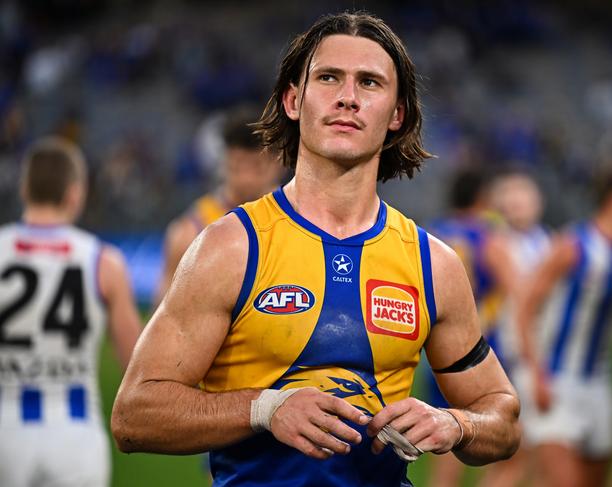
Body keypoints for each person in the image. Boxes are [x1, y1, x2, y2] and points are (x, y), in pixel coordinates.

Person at [111, 12, 520, 486]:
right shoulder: (231, 247)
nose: (348, 97)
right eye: (328, 78)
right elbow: (134, 415)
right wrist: (265, 409)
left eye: (369, 83)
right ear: (292, 99)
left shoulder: (433, 265)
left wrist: (458, 423)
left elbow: (503, 420)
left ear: (396, 114)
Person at [0, 136, 142, 487]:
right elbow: (135, 363)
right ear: (75, 193)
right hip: (75, 433)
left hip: (6, 429)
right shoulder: (102, 260)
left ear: (24, 188)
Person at [517, 165, 612, 487]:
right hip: (557, 382)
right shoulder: (572, 245)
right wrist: (535, 374)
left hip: (600, 390)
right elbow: (525, 308)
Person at [424, 167, 517, 487]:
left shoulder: (432, 234)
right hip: (480, 350)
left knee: (444, 443)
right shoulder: (488, 236)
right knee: (509, 446)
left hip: (435, 351)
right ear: (481, 197)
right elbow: (515, 286)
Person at [156, 104, 282, 302]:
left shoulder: (301, 216)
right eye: (239, 167)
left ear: (276, 163)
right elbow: (165, 313)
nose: (247, 178)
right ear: (226, 162)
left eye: (256, 167)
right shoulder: (189, 233)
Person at [479, 170, 551, 487]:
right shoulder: (499, 244)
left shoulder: (546, 239)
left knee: (539, 450)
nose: (519, 205)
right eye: (513, 199)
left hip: (545, 348)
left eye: (525, 196)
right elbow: (523, 293)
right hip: (514, 351)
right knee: (515, 451)